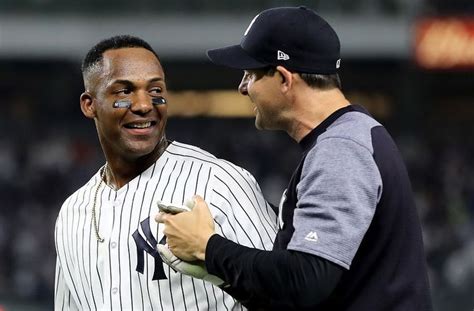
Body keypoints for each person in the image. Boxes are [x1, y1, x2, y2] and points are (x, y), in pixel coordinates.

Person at [157, 6, 433, 311]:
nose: (242, 87)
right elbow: (297, 294)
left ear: (285, 79)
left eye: (250, 73)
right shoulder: (349, 137)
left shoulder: (341, 148)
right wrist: (221, 273)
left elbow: (304, 281)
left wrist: (209, 249)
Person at [53, 35, 277, 310]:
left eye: (155, 90)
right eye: (124, 92)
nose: (144, 104)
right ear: (90, 105)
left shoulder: (218, 182)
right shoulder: (72, 211)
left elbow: (283, 293)